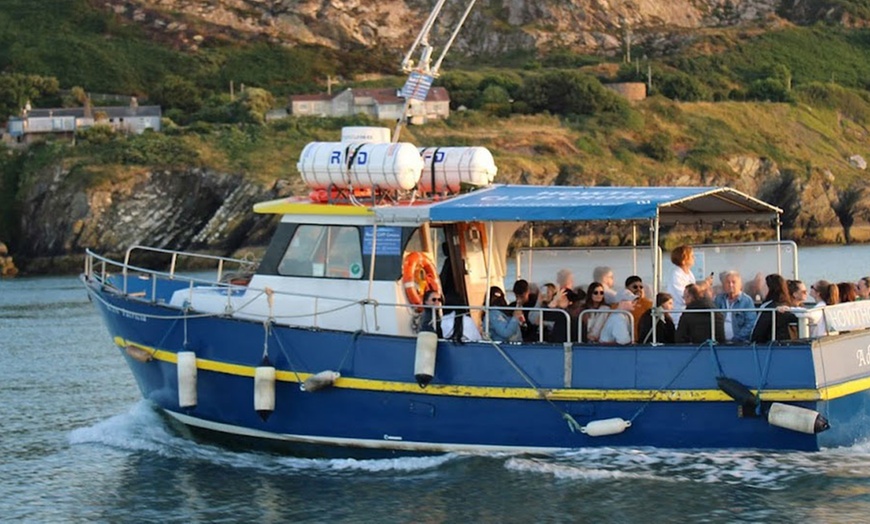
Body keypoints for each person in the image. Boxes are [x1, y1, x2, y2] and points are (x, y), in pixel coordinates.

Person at [667, 245, 712, 325]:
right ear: (684, 259)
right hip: (678, 315)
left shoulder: (690, 274)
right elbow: (684, 297)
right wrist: (703, 286)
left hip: (689, 313)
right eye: (691, 256)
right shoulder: (676, 275)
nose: (694, 258)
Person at [751, 274, 798, 343]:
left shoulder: (769, 307)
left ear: (769, 288)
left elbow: (760, 330)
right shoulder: (788, 304)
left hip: (770, 346)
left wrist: (753, 340)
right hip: (789, 343)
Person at [714, 270, 757, 342]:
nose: (730, 285)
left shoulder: (747, 301)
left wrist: (736, 339)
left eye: (733, 282)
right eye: (728, 282)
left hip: (740, 343)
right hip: (720, 343)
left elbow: (750, 324)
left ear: (740, 285)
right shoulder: (719, 299)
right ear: (724, 285)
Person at [625, 275, 653, 341]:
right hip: (625, 341)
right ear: (627, 289)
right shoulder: (620, 304)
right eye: (635, 287)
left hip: (642, 340)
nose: (638, 289)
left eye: (641, 287)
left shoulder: (648, 304)